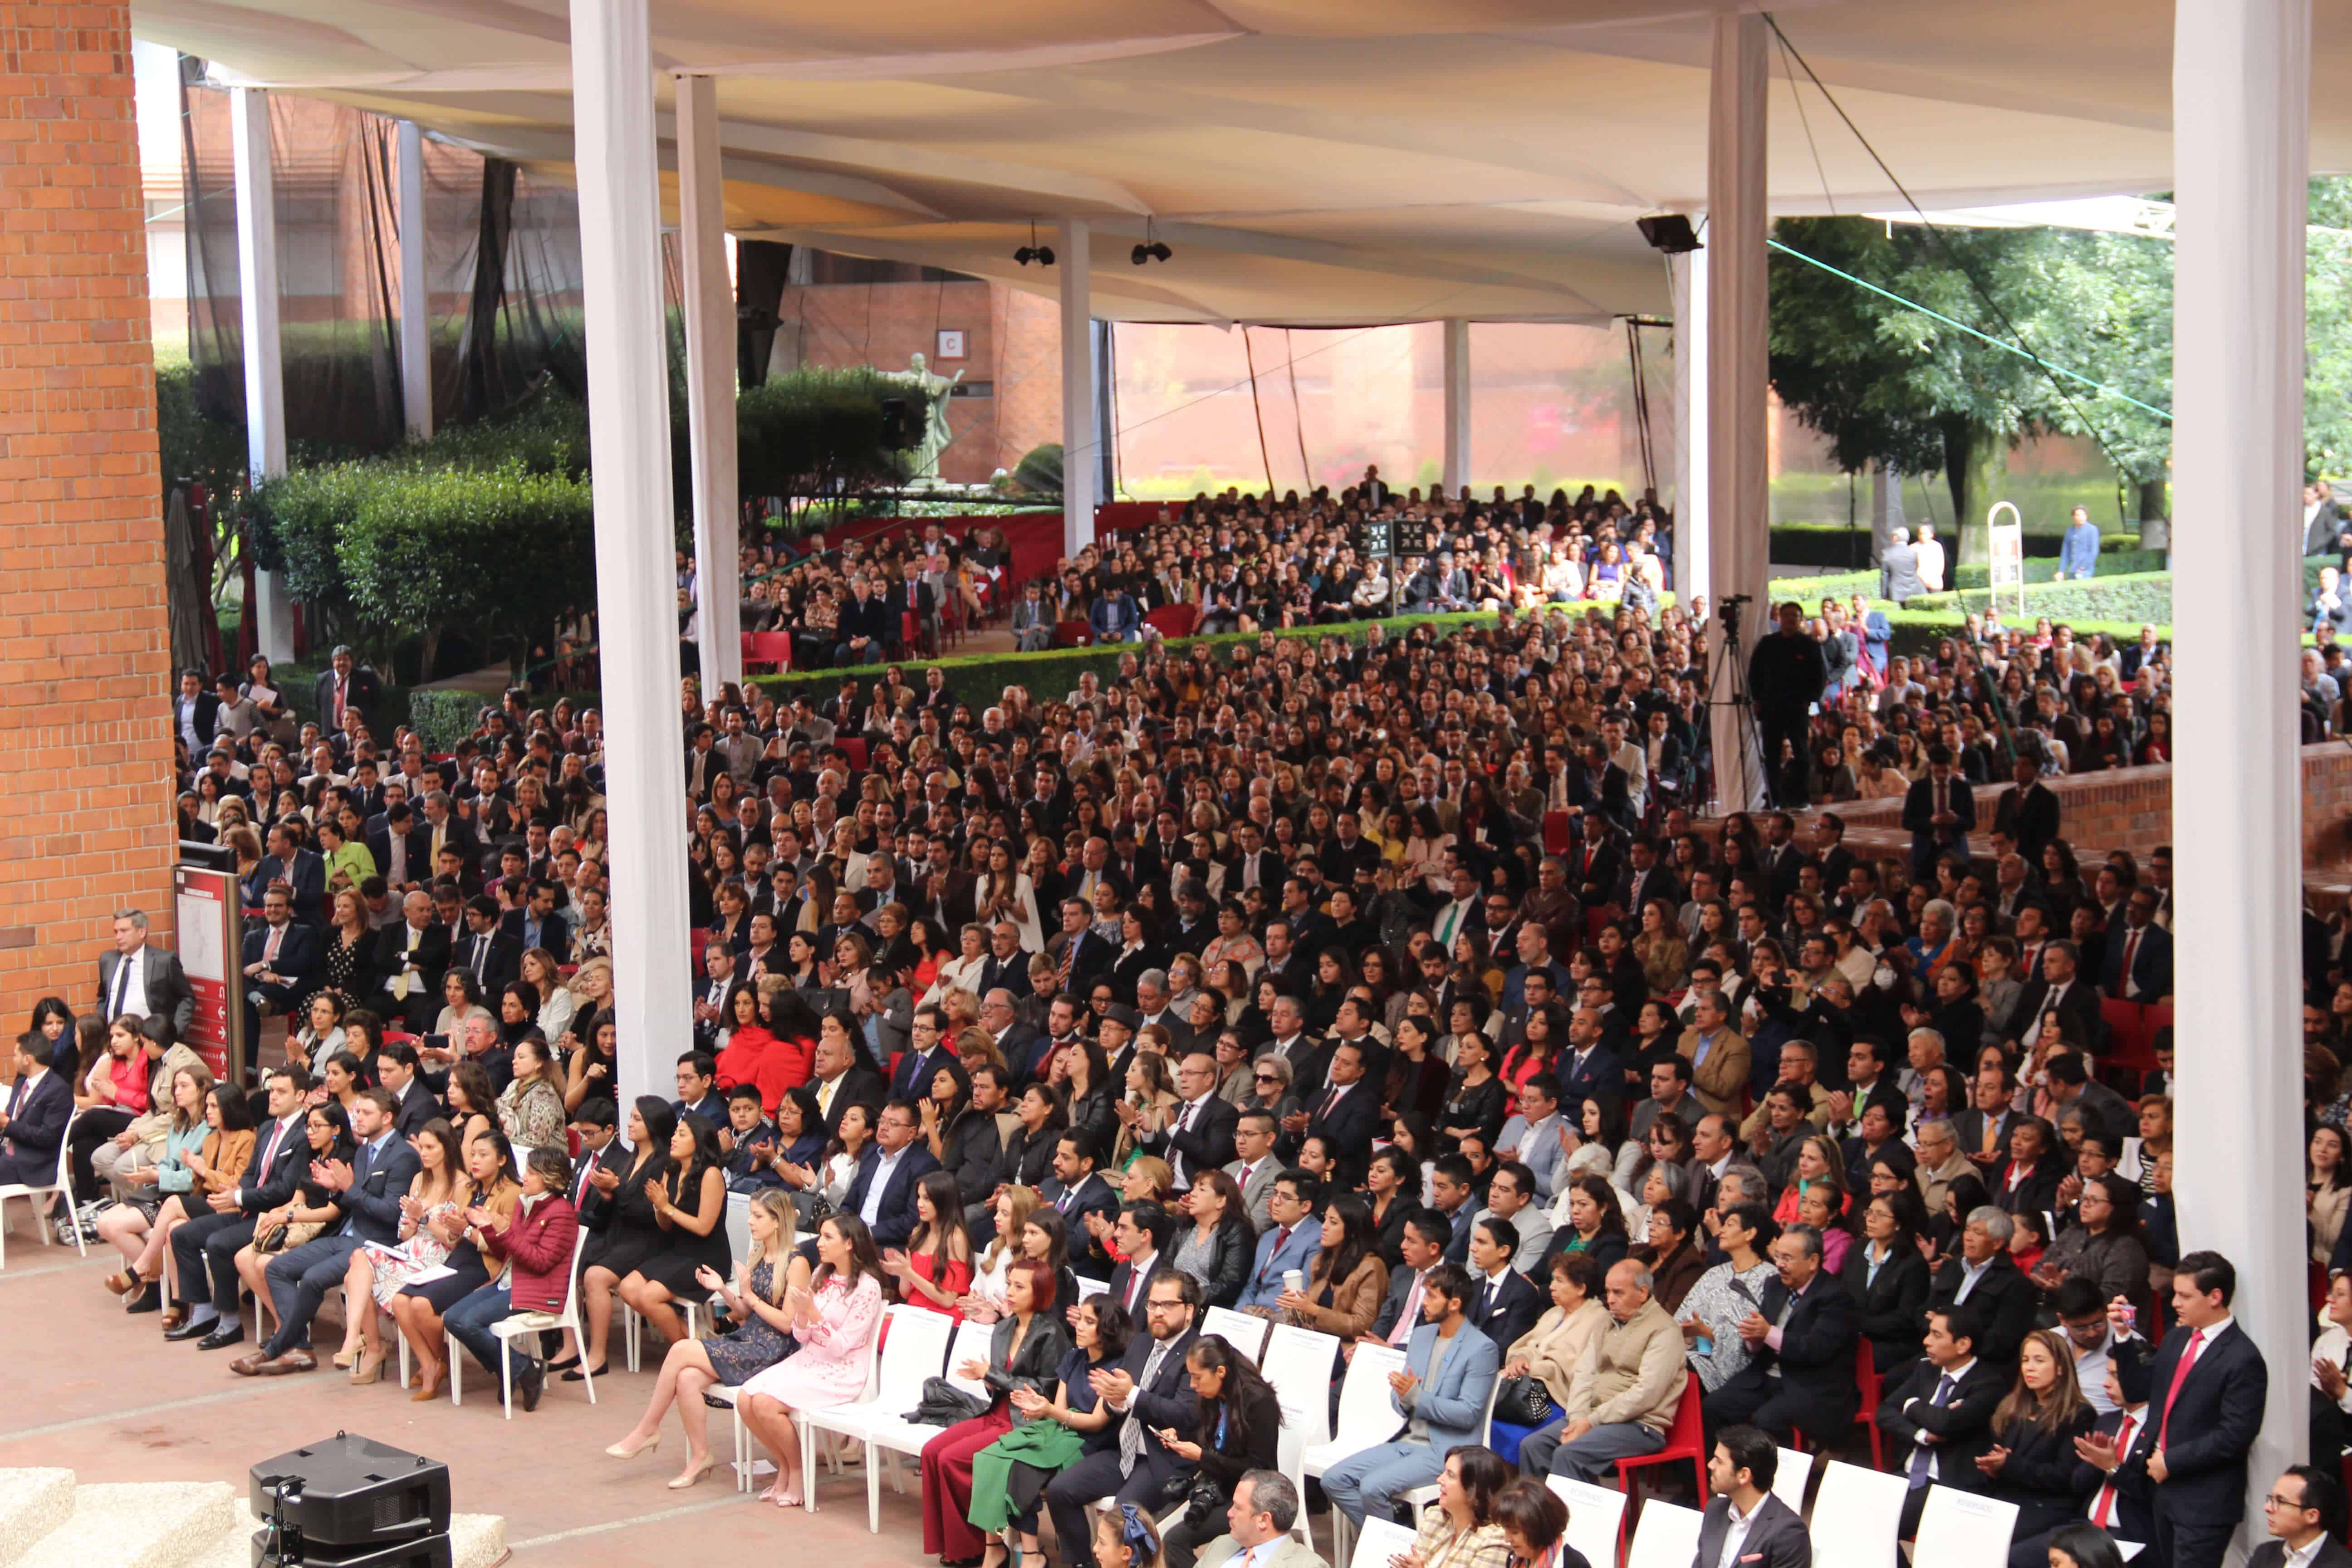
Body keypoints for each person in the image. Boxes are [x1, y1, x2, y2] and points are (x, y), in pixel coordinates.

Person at [607, 1187, 800, 1482]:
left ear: (778, 1221)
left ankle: (648, 1428)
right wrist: (722, 1289)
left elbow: (788, 1324)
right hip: (750, 1338)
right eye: (751, 1214)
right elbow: (747, 1313)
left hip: (774, 1349)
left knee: (683, 1349)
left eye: (758, 1216)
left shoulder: (795, 1263)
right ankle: (701, 1456)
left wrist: (748, 1294)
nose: (750, 1222)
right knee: (686, 1379)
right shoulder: (758, 1254)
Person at [234, 1087, 421, 1377]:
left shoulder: (403, 1156)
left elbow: (390, 1214)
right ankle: (298, 1347)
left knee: (311, 1279)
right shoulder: (362, 1152)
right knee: (277, 1268)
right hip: (347, 1235)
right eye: (357, 1111)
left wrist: (347, 1189)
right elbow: (353, 1200)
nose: (358, 1118)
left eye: (366, 1113)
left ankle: (275, 1351)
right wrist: (336, 1189)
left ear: (387, 1118)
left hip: (374, 1244)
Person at [2107, 1250, 2269, 1568]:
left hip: (2204, 1500)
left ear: (2215, 1297)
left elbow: (2236, 1434)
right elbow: (2139, 1390)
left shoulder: (2243, 1357)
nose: (2175, 1303)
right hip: (2161, 1490)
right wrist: (2124, 1337)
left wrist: (2172, 1461)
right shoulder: (2177, 1338)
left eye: (2185, 1296)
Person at [1043, 1270, 1203, 1568]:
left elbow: (1186, 1414)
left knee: (1121, 1520)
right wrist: (1116, 1402)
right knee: (1059, 1490)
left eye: (1167, 1305)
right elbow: (1121, 1404)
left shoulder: (1197, 1353)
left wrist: (1130, 1396)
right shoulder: (1142, 1344)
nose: (1157, 1312)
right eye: (1152, 1304)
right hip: (1124, 1451)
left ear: (1189, 1310)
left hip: (1162, 1459)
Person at [919, 1258, 1074, 1566]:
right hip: (996, 1412)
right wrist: (989, 1380)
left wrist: (991, 1375)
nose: (1011, 1292)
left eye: (1020, 1286)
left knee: (953, 1459)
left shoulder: (1052, 1334)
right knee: (931, 1451)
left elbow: (1041, 1392)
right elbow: (998, 1386)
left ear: (1040, 1292)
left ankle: (976, 1548)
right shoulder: (1003, 1329)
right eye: (1009, 1285)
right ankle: (952, 1543)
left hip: (1024, 1422)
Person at [1322, 1261, 1500, 1527]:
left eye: (1431, 1296)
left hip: (1446, 1450)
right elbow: (1402, 1398)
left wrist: (1416, 1396)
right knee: (1333, 1479)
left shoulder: (1482, 1349)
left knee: (1372, 1487)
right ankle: (1398, 1539)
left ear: (1454, 1304)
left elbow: (1469, 1414)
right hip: (1405, 1440)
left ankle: (1386, 1552)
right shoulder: (1422, 1335)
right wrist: (1405, 1396)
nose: (1423, 1303)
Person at [738, 1212, 888, 1507]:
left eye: (828, 1237)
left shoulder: (868, 1288)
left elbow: (843, 1347)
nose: (819, 1243)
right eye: (821, 1236)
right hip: (809, 1359)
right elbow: (800, 1336)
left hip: (841, 1371)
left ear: (849, 1244)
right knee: (746, 1399)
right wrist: (803, 1314)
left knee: (765, 1404)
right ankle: (785, 1466)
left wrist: (815, 1315)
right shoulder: (822, 1274)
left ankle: (797, 1473)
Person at [971, 1294, 1131, 1568]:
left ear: (1107, 1329)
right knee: (991, 1457)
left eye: (1089, 1322)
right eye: (1080, 1319)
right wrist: (1039, 1408)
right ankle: (996, 1547)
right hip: (1061, 1429)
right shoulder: (1073, 1357)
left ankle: (1031, 1554)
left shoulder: (1118, 1369)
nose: (1079, 1326)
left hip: (1091, 1443)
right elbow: (1059, 1409)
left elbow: (1096, 1422)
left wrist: (1048, 1411)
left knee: (1021, 1468)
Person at [1515, 1258, 1685, 1481]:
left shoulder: (1665, 1331)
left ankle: (1571, 1518)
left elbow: (1646, 1394)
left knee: (1570, 1454)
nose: (1611, 1301)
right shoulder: (1606, 1322)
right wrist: (1578, 1418)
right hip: (1593, 1417)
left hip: (1640, 1425)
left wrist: (1591, 1422)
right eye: (1608, 1293)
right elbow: (1584, 1374)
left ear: (1643, 1293)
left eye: (1619, 1293)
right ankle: (1534, 1516)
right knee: (1533, 1446)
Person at [440, 1144, 578, 1415]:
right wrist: (489, 1229)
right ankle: (520, 1368)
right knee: (452, 1318)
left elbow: (540, 1262)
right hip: (510, 1281)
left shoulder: (561, 1213)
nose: (523, 1177)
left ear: (550, 1178)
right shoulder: (525, 1204)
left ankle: (521, 1371)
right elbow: (506, 1250)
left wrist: (503, 1232)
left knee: (469, 1322)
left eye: (531, 1173)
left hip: (537, 1290)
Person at [1700, 1223, 1857, 1446]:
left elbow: (1815, 1349)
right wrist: (1754, 1338)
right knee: (1714, 1406)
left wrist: (1767, 1333)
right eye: (1777, 1257)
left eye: (1787, 1259)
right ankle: (1721, 1477)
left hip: (1809, 1384)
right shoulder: (1775, 1284)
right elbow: (1760, 1339)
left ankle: (1778, 1478)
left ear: (1812, 1261)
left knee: (1766, 1420)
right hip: (1765, 1376)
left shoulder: (1835, 1296)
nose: (1779, 1265)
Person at [1156, 1334, 1284, 1568]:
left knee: (1173, 1541)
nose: (1193, 1385)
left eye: (1197, 1377)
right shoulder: (1212, 1396)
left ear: (1221, 1373)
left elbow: (1259, 1470)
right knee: (1154, 1527)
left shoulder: (1259, 1402)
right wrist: (1179, 1439)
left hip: (1253, 1498)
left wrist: (1202, 1457)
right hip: (1216, 1486)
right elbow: (1207, 1440)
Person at [1976, 1328, 2098, 1546]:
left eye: (2039, 1360)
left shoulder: (2078, 1414)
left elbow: (2065, 1478)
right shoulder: (2011, 1406)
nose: (2029, 1368)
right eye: (2025, 1360)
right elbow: (1998, 1458)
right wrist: (1993, 1469)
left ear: (2060, 1368)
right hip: (2004, 1499)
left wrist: (2009, 1465)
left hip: (2046, 1507)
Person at [1693, 1426, 1811, 1568]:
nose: (1710, 1465)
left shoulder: (1788, 1533)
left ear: (1744, 1475)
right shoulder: (1715, 1510)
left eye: (1719, 1461)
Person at [1747, 602, 1828, 809]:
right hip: (1771, 708)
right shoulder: (1767, 644)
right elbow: (1754, 674)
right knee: (1771, 755)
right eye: (1787, 616)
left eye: (1795, 616)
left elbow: (1819, 677)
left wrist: (1809, 699)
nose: (1791, 620)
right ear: (1780, 619)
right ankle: (1773, 797)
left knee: (1801, 753)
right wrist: (1757, 699)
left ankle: (1801, 797)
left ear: (1801, 620)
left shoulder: (1810, 645)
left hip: (1797, 708)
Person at [1179, 1471, 1318, 1568]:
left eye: (1238, 1508)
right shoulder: (1221, 1544)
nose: (1229, 1513)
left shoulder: (1308, 1565)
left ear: (1264, 1520)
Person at [2245, 1465, 2352, 1568]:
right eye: (2271, 1499)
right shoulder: (2264, 1554)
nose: (2267, 1507)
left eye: (2281, 1501)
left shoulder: (2344, 1564)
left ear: (2312, 1516)